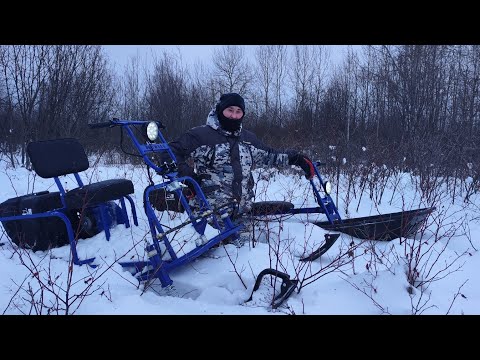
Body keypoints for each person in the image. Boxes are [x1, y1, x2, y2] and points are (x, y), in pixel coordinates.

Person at [168, 92, 314, 245]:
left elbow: (269, 154)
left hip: (241, 216)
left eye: (238, 112)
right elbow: (169, 153)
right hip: (210, 221)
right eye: (230, 110)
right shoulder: (200, 135)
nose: (233, 116)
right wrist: (188, 178)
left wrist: (295, 158)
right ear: (220, 110)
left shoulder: (247, 138)